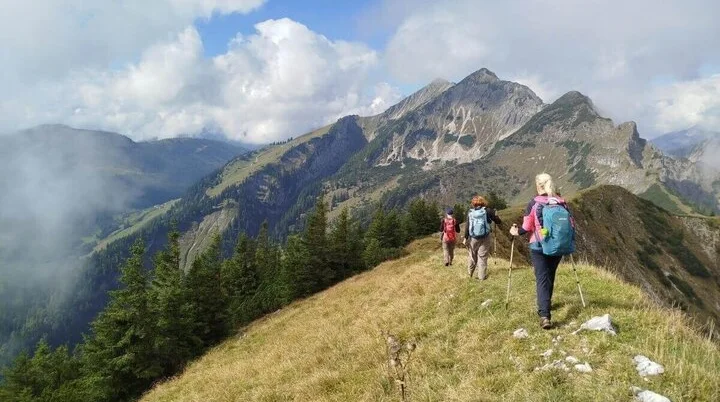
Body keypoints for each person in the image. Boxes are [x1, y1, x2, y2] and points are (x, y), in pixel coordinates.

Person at [510, 173, 572, 329]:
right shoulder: (561, 202)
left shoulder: (534, 203)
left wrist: (514, 232)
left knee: (542, 278)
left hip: (538, 245)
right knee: (550, 275)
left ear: (538, 185)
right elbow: (570, 224)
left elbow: (526, 227)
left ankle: (545, 315)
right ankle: (547, 305)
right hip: (558, 245)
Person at [463, 196, 502, 280]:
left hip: (473, 238)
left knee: (472, 255)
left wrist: (465, 238)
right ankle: (481, 277)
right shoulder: (487, 211)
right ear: (483, 202)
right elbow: (498, 221)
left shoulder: (470, 212)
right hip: (485, 237)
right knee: (482, 256)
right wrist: (495, 214)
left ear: (473, 204)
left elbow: (467, 226)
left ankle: (470, 274)